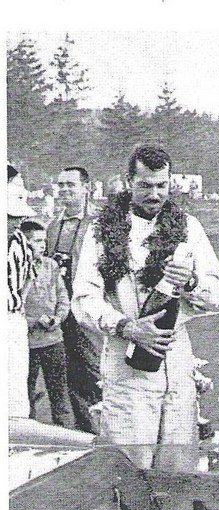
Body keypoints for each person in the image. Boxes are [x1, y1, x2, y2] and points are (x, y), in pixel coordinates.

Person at [72, 145, 219, 469]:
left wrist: (191, 282)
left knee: (178, 467)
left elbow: (214, 292)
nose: (154, 194)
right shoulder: (102, 230)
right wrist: (128, 327)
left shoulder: (189, 227)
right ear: (129, 182)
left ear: (170, 182)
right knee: (129, 467)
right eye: (145, 185)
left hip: (177, 358)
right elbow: (84, 299)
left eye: (161, 185)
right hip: (126, 361)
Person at [46, 166, 101, 433]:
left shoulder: (98, 224)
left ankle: (106, 428)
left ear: (86, 188)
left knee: (95, 370)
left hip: (86, 309)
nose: (65, 190)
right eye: (61, 185)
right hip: (59, 311)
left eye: (71, 184)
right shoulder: (53, 225)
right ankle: (83, 430)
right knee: (67, 372)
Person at [21, 220, 75, 428]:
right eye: (37, 241)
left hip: (54, 341)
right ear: (24, 243)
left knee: (60, 394)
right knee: (27, 398)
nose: (42, 245)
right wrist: (34, 321)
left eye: (44, 241)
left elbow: (63, 297)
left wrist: (58, 318)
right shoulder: (12, 269)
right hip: (27, 345)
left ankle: (66, 440)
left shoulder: (51, 266)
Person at [7, 164, 37, 419]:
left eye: (17, 217)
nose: (15, 222)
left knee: (15, 393)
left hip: (13, 320)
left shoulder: (22, 244)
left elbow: (28, 279)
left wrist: (18, 311)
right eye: (9, 216)